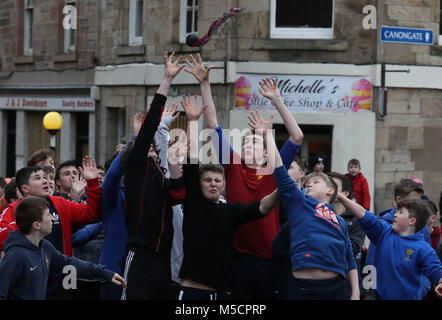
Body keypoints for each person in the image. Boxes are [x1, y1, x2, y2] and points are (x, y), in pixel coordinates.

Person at [184, 54, 304, 299]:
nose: (248, 145)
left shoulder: (273, 169)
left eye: (254, 143)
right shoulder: (233, 166)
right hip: (236, 258)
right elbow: (212, 123)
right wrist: (205, 84)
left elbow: (297, 138)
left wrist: (277, 101)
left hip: (266, 259)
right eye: (245, 142)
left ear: (265, 153)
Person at [168, 97, 280, 300]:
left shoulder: (230, 211)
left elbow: (261, 207)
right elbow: (193, 159)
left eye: (218, 180)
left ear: (223, 185)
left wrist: (284, 187)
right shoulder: (193, 204)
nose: (213, 184)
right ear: (199, 184)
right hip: (190, 291)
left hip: (218, 294)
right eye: (208, 180)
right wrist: (193, 121)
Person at [264, 123, 359, 300]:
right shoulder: (300, 204)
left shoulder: (339, 222)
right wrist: (268, 136)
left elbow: (350, 259)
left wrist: (355, 292)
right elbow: (279, 170)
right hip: (304, 288)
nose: (309, 185)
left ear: (331, 191)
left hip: (336, 289)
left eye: (315, 182)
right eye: (307, 183)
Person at [120, 51, 185, 300]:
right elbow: (148, 128)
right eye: (147, 147)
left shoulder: (160, 174)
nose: (152, 148)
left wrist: (176, 163)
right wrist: (167, 80)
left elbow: (178, 196)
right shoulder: (137, 168)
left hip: (163, 260)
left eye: (152, 147)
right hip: (140, 255)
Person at [0, 196, 126, 300]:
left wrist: (105, 273)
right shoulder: (15, 255)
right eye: (48, 215)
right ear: (36, 225)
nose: (53, 218)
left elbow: (70, 263)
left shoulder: (44, 247)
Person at [337, 195, 442, 300]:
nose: (395, 215)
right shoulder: (383, 232)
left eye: (400, 212)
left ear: (412, 221)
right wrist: (340, 197)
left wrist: (440, 282)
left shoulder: (423, 248)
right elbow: (362, 213)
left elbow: (435, 270)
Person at [0, 157, 102, 259]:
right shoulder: (12, 210)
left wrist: (92, 182)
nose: (45, 181)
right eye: (38, 178)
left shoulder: (61, 203)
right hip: (30, 271)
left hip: (62, 270)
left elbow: (92, 214)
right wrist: (26, 222)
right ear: (25, 188)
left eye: (45, 177)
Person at [328, 172, 366, 299]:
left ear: (345, 194)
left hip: (348, 288)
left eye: (332, 185)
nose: (327, 188)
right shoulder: (315, 214)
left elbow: (354, 248)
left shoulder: (356, 218)